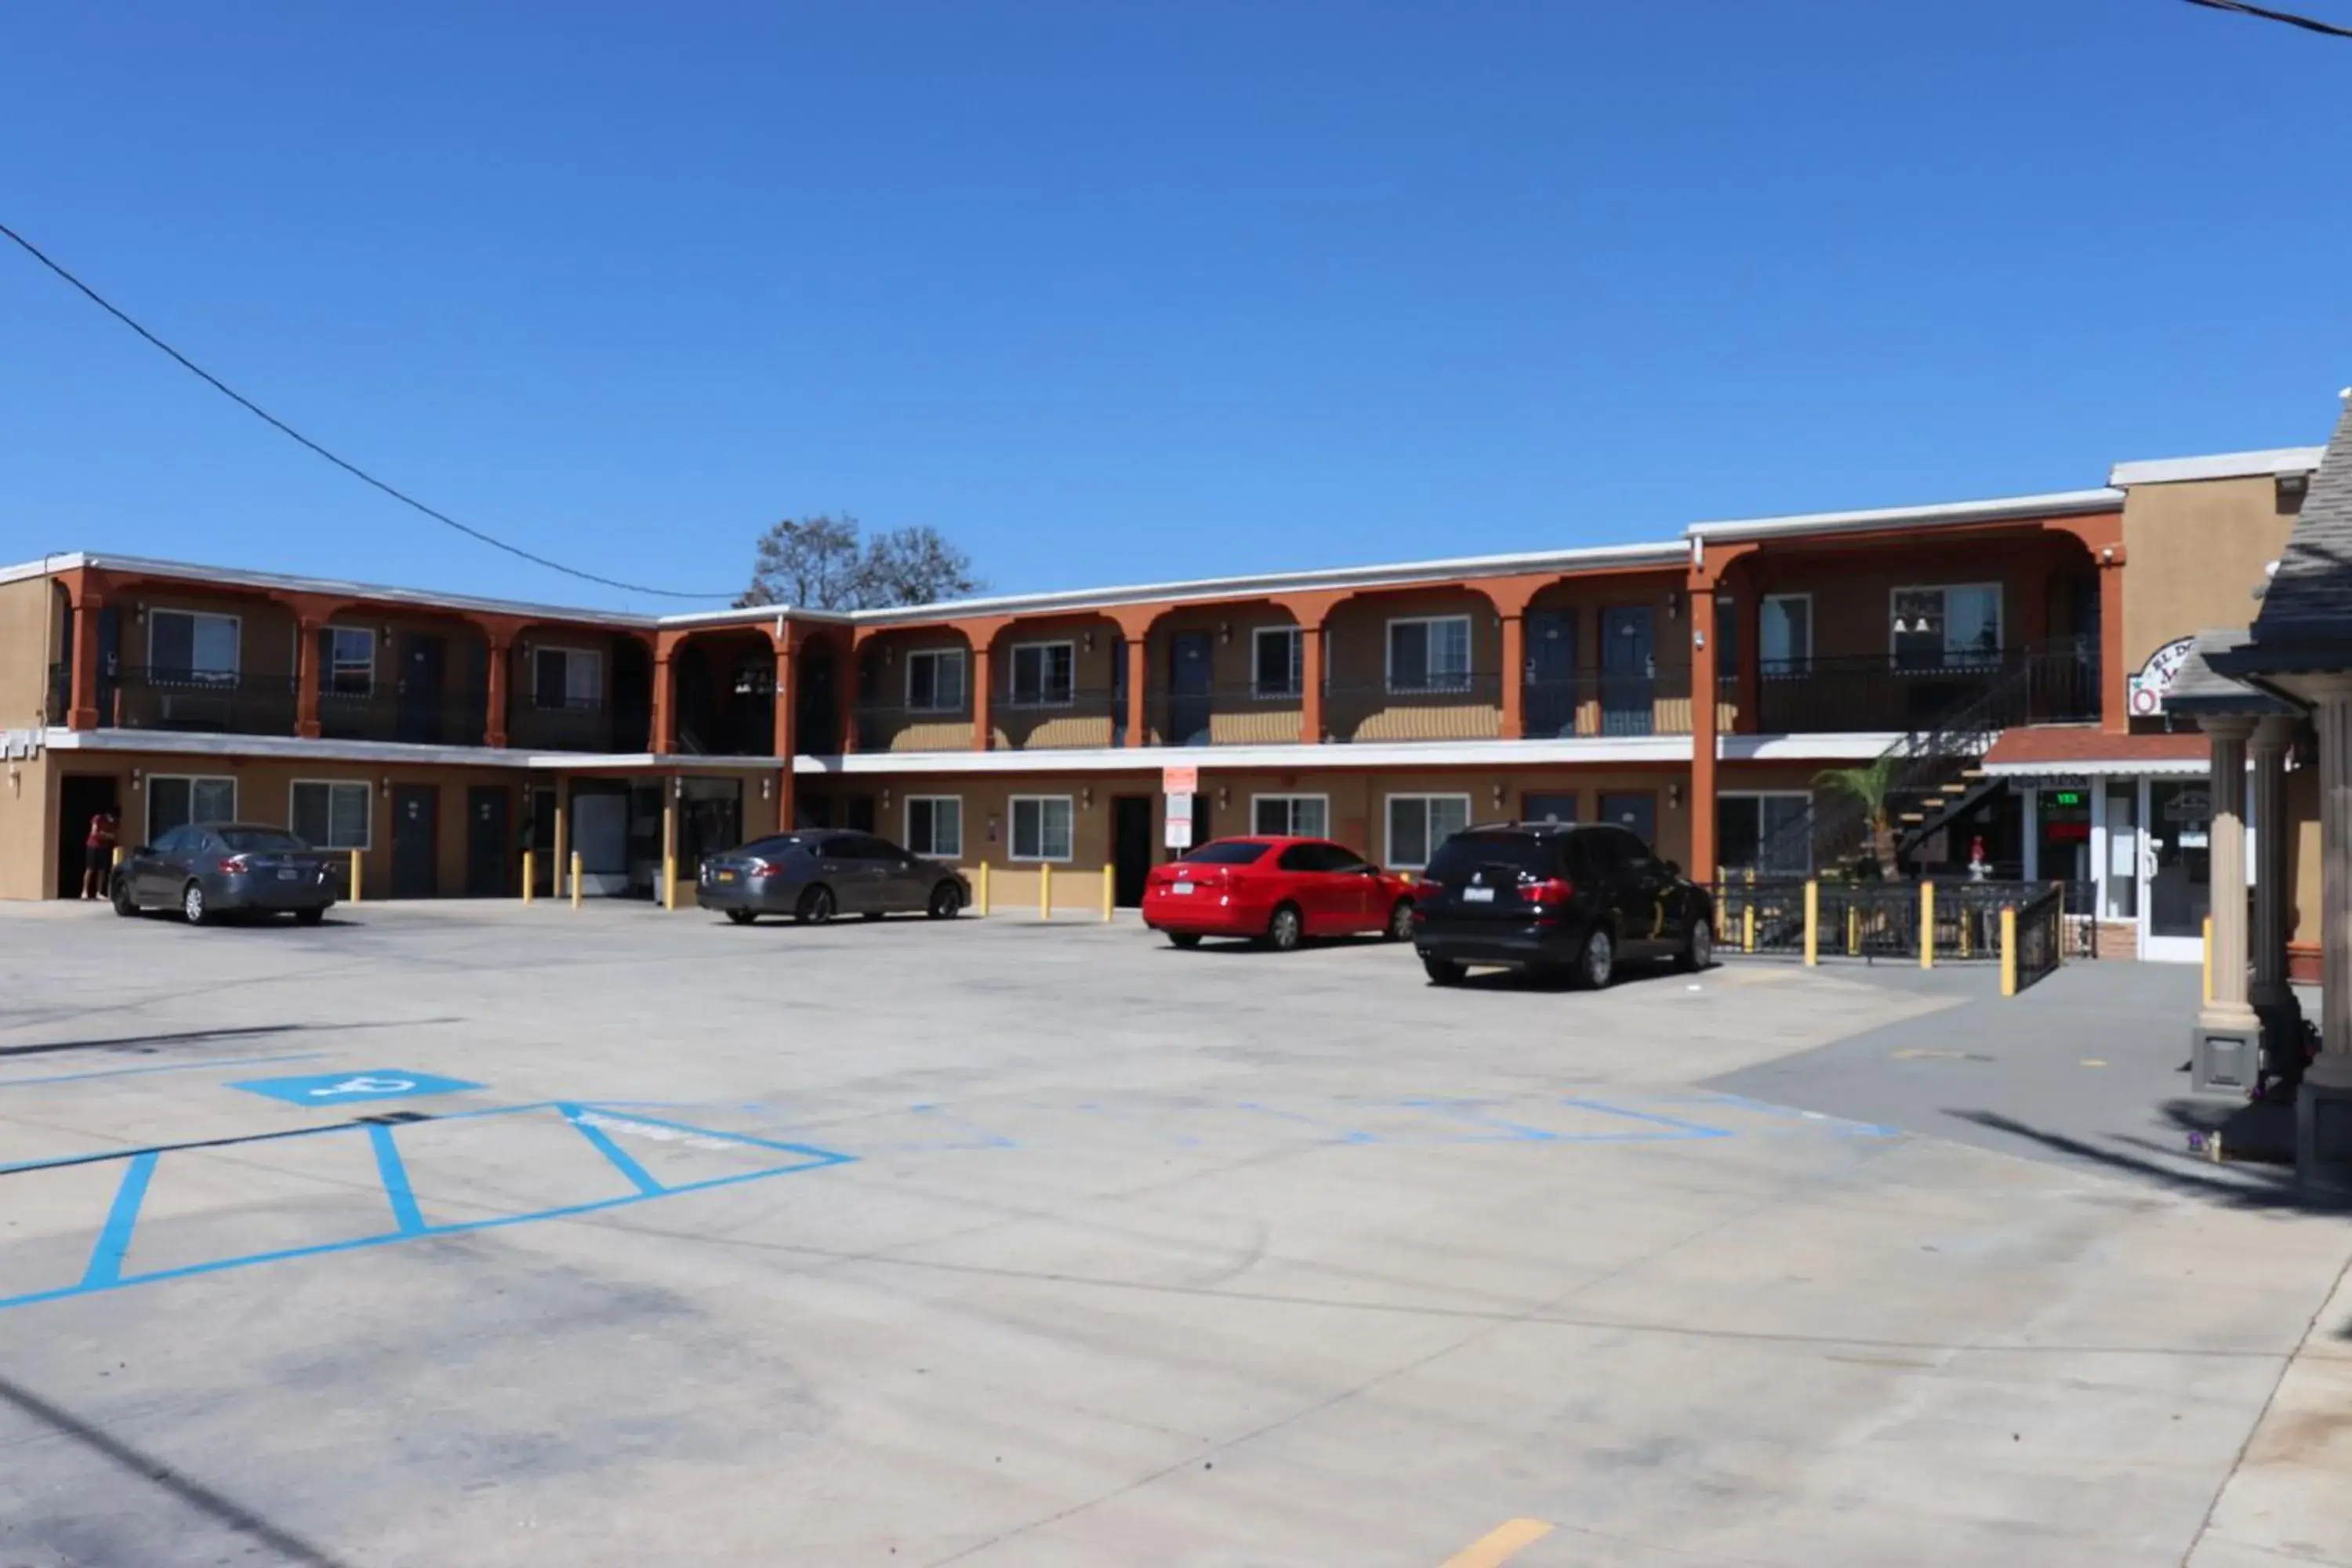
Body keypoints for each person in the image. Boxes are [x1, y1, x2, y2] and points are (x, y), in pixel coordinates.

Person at [81, 808, 119, 900]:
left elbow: (113, 836)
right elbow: (94, 833)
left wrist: (103, 834)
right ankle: (84, 891)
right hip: (93, 846)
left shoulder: (114, 823)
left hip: (103, 847)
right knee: (90, 869)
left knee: (102, 870)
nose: (112, 820)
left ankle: (99, 892)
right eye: (112, 817)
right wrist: (106, 835)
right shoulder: (98, 818)